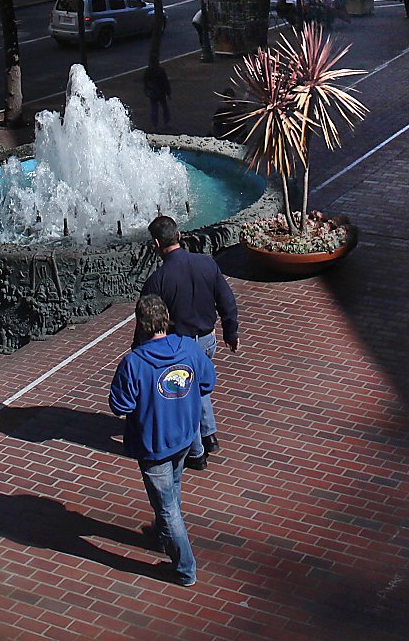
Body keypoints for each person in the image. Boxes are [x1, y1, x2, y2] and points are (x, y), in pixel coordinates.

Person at [109, 294, 213, 587]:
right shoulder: (190, 350)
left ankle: (184, 567)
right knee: (172, 489)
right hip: (183, 436)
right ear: (166, 319)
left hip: (152, 444)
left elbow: (120, 405)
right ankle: (161, 534)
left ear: (140, 324)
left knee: (167, 507)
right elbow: (207, 383)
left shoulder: (133, 363)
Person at [139, 214, 238, 466]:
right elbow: (227, 301)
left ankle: (196, 453)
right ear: (179, 236)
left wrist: (139, 351)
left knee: (184, 396)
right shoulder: (207, 264)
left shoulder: (157, 281)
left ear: (156, 245)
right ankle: (209, 434)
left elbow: (148, 322)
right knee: (199, 386)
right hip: (207, 340)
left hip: (179, 346)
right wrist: (231, 332)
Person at [142, 62, 172, 129]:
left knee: (154, 108)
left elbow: (145, 81)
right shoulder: (160, 70)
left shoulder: (148, 71)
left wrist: (147, 90)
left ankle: (154, 125)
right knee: (164, 107)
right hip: (161, 92)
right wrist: (168, 93)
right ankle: (166, 123)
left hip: (153, 92)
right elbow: (165, 82)